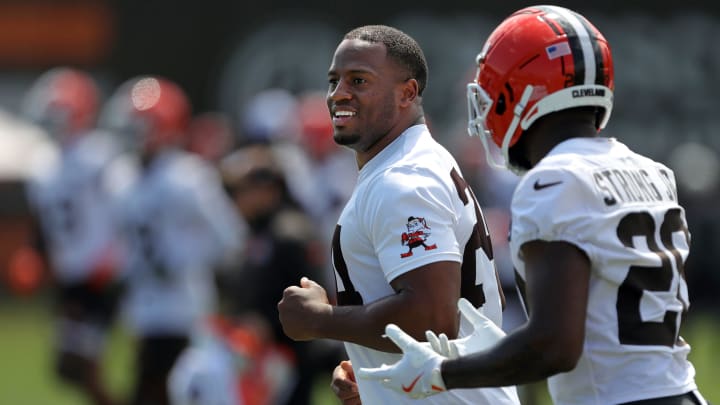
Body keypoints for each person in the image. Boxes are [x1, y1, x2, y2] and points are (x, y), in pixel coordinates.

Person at [357, 5, 709, 405]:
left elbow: (553, 345)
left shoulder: (554, 182)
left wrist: (441, 373)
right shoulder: (651, 172)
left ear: (517, 94)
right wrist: (502, 348)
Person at [276, 25, 520, 405]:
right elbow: (473, 308)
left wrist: (320, 319)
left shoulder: (403, 178)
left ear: (407, 93)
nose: (339, 93)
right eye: (334, 80)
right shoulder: (416, 162)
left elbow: (433, 315)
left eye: (358, 80)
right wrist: (378, 369)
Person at [105, 75, 245, 405]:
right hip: (143, 304)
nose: (134, 131)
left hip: (185, 305)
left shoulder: (187, 176)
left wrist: (191, 259)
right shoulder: (121, 176)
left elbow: (230, 235)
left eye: (143, 123)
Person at [20, 67, 135, 405]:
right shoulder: (43, 164)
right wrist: (35, 253)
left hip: (102, 272)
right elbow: (45, 220)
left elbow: (128, 205)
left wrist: (117, 254)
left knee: (80, 365)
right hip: (71, 273)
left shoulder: (100, 155)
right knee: (70, 368)